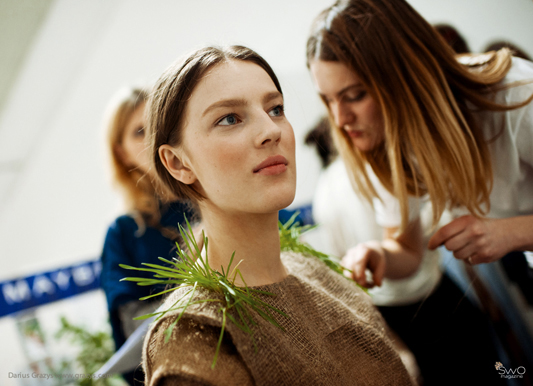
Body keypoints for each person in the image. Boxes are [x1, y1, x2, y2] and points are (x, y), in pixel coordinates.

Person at [139, 45, 413, 386]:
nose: (272, 130)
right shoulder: (194, 336)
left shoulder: (319, 273)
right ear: (178, 163)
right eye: (229, 118)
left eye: (276, 108)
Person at [307, 0, 533, 384]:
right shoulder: (384, 144)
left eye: (355, 94)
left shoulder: (512, 92)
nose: (340, 120)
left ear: (404, 75)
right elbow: (408, 251)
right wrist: (378, 253)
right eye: (327, 100)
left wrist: (509, 233)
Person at [99, 86, 194, 384]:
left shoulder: (210, 198)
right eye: (140, 132)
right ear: (121, 153)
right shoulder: (122, 234)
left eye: (159, 124)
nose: (154, 138)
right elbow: (134, 330)